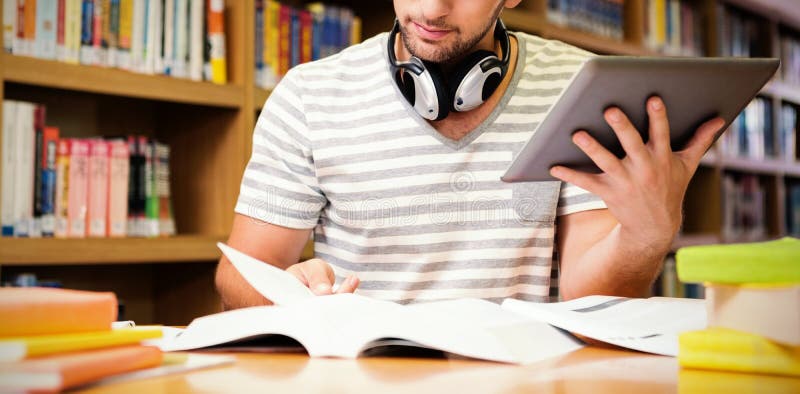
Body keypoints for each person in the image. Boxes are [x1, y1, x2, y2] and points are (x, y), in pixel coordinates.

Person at [215, 0, 725, 309]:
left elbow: (591, 296)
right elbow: (238, 274)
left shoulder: (580, 85)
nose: (432, 10)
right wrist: (289, 292)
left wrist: (645, 236)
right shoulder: (309, 95)